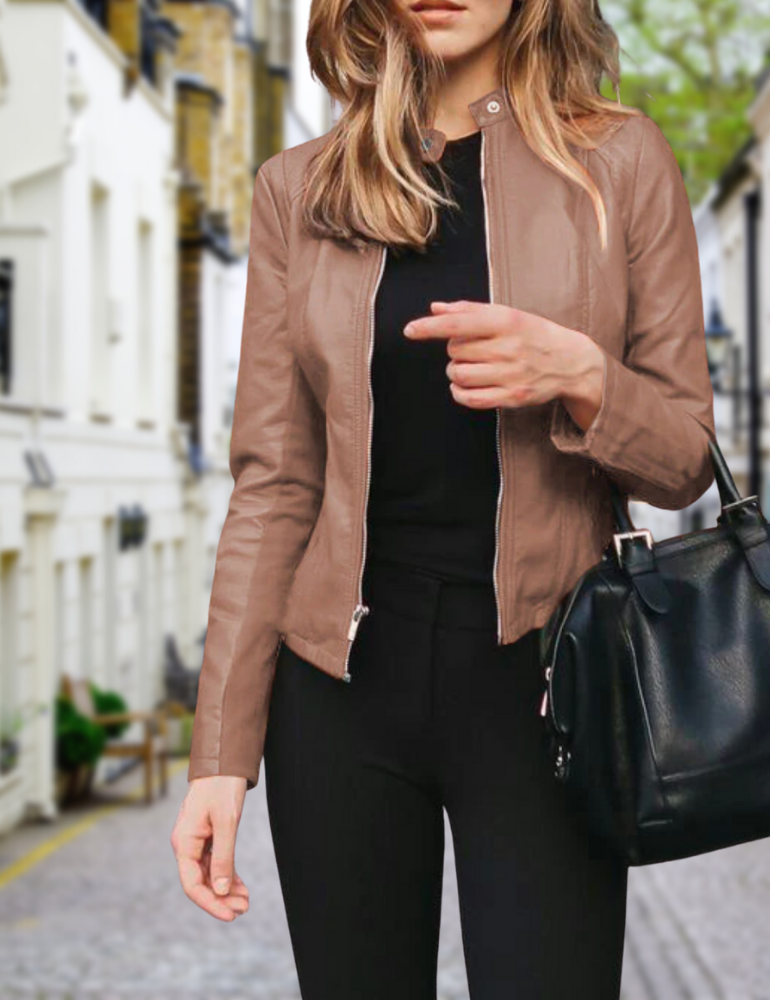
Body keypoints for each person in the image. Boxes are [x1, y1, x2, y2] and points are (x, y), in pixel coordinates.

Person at [170, 0, 716, 996]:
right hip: (335, 697)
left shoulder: (622, 162)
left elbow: (682, 461)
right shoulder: (298, 189)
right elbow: (274, 483)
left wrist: (583, 373)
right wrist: (220, 755)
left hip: (550, 684)